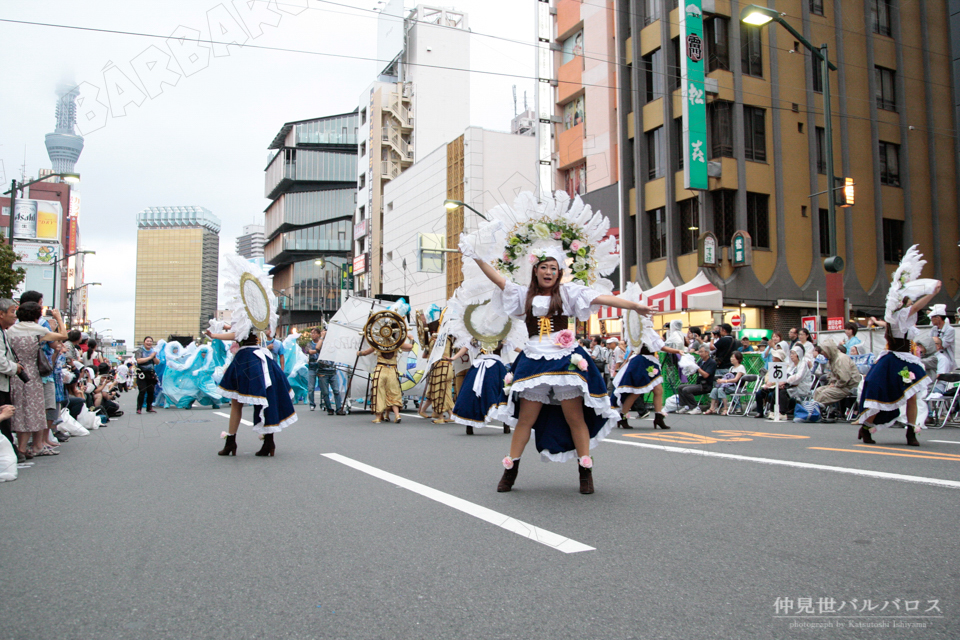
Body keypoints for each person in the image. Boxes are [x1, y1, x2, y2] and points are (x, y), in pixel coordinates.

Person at [462, 236, 651, 495]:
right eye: (544, 267)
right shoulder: (522, 294)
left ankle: (585, 471)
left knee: (574, 416)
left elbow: (604, 298)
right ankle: (510, 470)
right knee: (526, 419)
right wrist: (476, 255)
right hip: (533, 358)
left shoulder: (569, 293)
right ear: (535, 270)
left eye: (553, 268)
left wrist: (634, 306)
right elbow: (498, 279)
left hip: (565, 357)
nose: (548, 272)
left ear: (559, 271)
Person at [856, 247, 939, 447]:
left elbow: (909, 311)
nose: (911, 301)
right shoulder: (899, 316)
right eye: (908, 298)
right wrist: (933, 293)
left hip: (905, 360)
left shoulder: (897, 318)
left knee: (911, 395)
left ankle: (911, 432)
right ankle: (866, 427)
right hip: (895, 361)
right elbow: (917, 307)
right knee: (882, 396)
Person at [8, 303, 67, 458]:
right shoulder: (38, 330)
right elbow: (63, 336)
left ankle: (21, 447)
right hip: (32, 375)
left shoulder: (11, 330)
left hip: (14, 372)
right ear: (37, 315)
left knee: (18, 410)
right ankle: (22, 448)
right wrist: (59, 319)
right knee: (32, 411)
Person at [612, 310, 680, 430]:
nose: (653, 320)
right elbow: (661, 347)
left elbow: (633, 349)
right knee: (636, 391)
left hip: (644, 361)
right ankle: (622, 416)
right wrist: (678, 351)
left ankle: (658, 417)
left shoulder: (640, 333)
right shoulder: (646, 332)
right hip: (643, 362)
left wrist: (626, 361)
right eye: (651, 318)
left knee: (658, 390)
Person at [452, 339, 512, 436]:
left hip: (496, 367)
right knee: (470, 392)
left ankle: (506, 424)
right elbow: (466, 346)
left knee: (503, 393)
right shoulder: (477, 335)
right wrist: (454, 358)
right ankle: (469, 425)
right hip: (480, 364)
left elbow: (515, 347)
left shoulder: (502, 335)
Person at [358, 338, 413, 423]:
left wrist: (359, 353)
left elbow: (365, 352)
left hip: (380, 370)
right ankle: (397, 414)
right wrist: (411, 339)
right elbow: (410, 347)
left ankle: (378, 417)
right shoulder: (396, 343)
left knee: (379, 393)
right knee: (393, 392)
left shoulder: (378, 342)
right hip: (392, 370)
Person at [0, 299, 24, 460]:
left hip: (4, 382)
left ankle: (10, 453)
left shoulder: (4, 332)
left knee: (6, 419)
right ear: (1, 314)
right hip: (2, 381)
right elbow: (1, 362)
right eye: (12, 312)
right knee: (4, 418)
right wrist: (15, 367)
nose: (14, 316)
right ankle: (9, 454)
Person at [812, 340, 861, 418]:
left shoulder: (841, 359)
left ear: (828, 350)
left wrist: (835, 384)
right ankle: (814, 411)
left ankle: (814, 411)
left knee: (825, 393)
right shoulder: (832, 359)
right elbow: (831, 375)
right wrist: (832, 383)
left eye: (823, 351)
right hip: (840, 385)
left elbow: (845, 379)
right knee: (818, 391)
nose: (822, 353)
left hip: (848, 386)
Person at [677, 346, 717, 414]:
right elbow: (695, 371)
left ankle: (695, 407)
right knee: (680, 387)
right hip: (698, 383)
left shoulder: (712, 362)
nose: (700, 353)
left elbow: (706, 375)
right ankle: (685, 405)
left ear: (707, 353)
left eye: (701, 352)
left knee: (686, 390)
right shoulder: (701, 361)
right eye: (699, 352)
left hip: (706, 385)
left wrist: (697, 367)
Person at [705, 351, 746, 415]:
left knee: (721, 389)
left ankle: (725, 408)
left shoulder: (741, 367)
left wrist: (724, 381)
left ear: (738, 358)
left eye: (733, 357)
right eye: (731, 357)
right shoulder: (731, 368)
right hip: (729, 386)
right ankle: (712, 407)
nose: (731, 359)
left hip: (737, 387)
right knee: (715, 389)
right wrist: (721, 381)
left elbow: (735, 379)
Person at [751, 348, 787, 418]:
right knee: (759, 393)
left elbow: (781, 379)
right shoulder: (772, 366)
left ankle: (773, 411)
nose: (773, 358)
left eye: (775, 357)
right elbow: (767, 376)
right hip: (769, 386)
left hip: (777, 387)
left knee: (771, 395)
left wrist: (772, 382)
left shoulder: (784, 367)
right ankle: (759, 412)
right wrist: (767, 382)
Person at [314, 331, 344, 416]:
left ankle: (338, 409)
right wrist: (322, 337)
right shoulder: (322, 346)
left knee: (336, 391)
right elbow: (317, 348)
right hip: (323, 373)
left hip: (332, 372)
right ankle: (329, 408)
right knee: (325, 393)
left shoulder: (334, 346)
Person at [135, 337, 160, 414]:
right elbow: (139, 360)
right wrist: (150, 357)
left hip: (151, 374)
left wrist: (154, 357)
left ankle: (149, 407)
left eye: (150, 341)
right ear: (144, 342)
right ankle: (139, 408)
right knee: (142, 391)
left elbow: (157, 362)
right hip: (142, 374)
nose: (149, 343)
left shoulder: (153, 352)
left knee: (151, 391)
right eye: (147, 341)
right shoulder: (139, 351)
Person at [929, 304, 956, 372]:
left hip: (946, 358)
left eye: (932, 317)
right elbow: (928, 342)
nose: (931, 319)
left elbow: (942, 345)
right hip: (934, 358)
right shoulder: (933, 329)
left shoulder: (950, 330)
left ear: (938, 318)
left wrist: (933, 344)